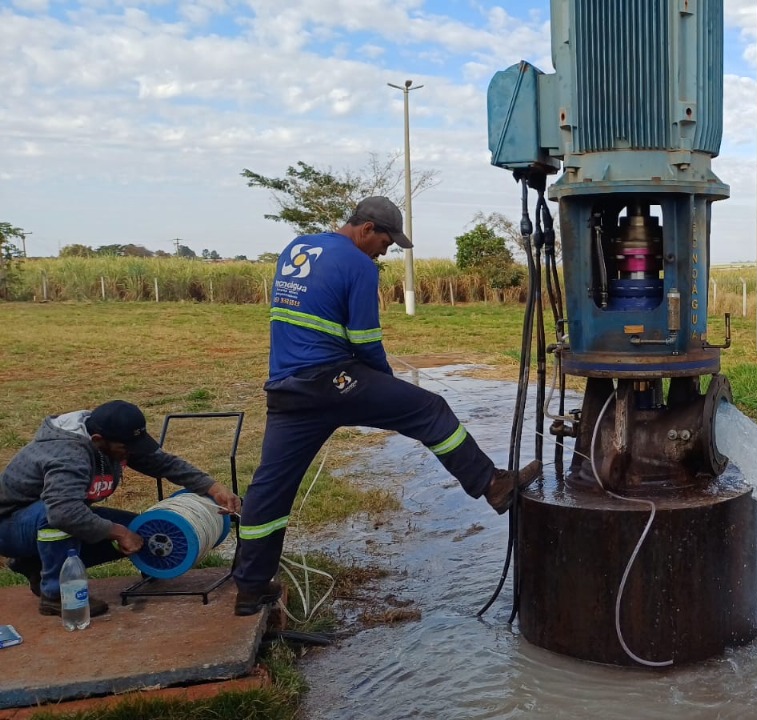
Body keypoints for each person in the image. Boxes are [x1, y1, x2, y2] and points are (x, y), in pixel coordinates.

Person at [234, 196, 540, 617]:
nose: (386, 250)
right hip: (333, 381)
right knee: (430, 410)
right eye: (386, 241)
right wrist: (386, 387)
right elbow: (364, 341)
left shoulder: (296, 247)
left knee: (269, 489)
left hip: (286, 390)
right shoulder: (360, 265)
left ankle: (250, 588)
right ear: (366, 229)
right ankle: (492, 484)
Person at [0, 400, 241, 618]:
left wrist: (212, 487)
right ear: (97, 440)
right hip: (9, 526)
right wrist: (119, 532)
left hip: (44, 517)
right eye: (126, 447)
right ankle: (57, 595)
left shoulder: (112, 442)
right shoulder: (67, 455)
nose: (131, 451)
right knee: (59, 518)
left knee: (140, 532)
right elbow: (63, 512)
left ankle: (35, 564)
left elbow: (163, 463)